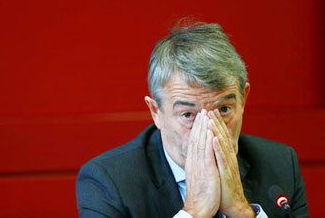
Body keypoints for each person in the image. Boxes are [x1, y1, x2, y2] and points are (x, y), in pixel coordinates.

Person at [76, 21, 308, 218]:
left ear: (243, 99)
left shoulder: (279, 165)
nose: (209, 130)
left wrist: (240, 210)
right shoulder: (108, 182)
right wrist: (195, 211)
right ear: (155, 111)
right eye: (188, 115)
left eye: (224, 109)